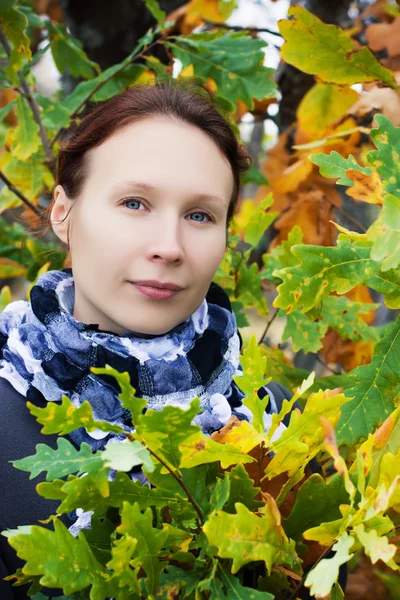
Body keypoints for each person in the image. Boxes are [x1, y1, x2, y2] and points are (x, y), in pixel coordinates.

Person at [0, 81, 307, 599]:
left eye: (199, 215)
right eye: (134, 202)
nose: (169, 247)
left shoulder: (280, 423)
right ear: (62, 213)